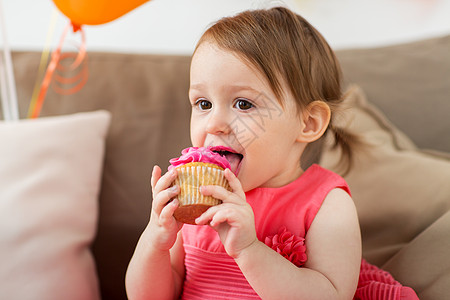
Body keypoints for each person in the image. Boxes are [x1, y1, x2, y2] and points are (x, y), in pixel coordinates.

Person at [125, 6, 418, 300]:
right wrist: (156, 242)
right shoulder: (194, 202)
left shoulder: (326, 204)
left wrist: (249, 250)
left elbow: (330, 295)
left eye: (243, 104)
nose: (214, 123)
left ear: (308, 123)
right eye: (203, 103)